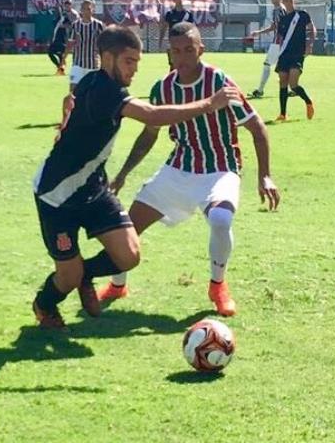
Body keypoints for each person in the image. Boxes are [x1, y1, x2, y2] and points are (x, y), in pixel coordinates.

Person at [31, 25, 243, 329]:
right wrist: (210, 104)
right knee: (67, 277)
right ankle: (45, 304)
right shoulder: (105, 90)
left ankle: (85, 275)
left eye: (137, 62)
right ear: (107, 58)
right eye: (129, 61)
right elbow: (153, 116)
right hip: (57, 195)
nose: (134, 69)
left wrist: (67, 110)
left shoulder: (93, 80)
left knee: (129, 256)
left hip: (93, 188)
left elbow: (73, 97)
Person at [97, 22, 280, 316]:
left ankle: (217, 285)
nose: (182, 57)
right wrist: (123, 174)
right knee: (128, 226)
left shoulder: (222, 83)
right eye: (176, 51)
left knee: (220, 219)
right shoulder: (164, 88)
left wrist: (265, 176)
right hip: (179, 168)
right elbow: (149, 134)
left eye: (189, 50)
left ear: (201, 50)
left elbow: (257, 129)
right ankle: (118, 285)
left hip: (220, 167)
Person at [275, 0, 316, 122]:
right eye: (285, 1)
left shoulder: (302, 15)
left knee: (293, 85)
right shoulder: (282, 19)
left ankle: (308, 102)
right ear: (283, 2)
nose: (288, 3)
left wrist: (309, 45)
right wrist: (276, 51)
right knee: (282, 82)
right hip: (284, 54)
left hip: (297, 53)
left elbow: (312, 29)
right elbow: (280, 37)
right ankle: (282, 114)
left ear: (294, 1)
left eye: (290, 0)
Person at [249, 0, 287, 98]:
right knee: (283, 67)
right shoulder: (277, 10)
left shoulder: (280, 10)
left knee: (267, 64)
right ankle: (290, 89)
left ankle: (260, 90)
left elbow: (281, 27)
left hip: (279, 41)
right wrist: (259, 32)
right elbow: (274, 26)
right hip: (280, 41)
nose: (275, 0)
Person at [62, 0, 103, 91]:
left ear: (93, 10)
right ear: (81, 10)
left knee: (92, 92)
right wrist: (64, 58)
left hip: (93, 64)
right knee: (73, 89)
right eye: (84, 9)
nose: (86, 11)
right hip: (78, 63)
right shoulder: (75, 25)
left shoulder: (98, 25)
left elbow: (103, 43)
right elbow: (70, 42)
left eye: (88, 9)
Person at [159, 0, 195, 71]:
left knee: (185, 64)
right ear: (174, 0)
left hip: (185, 43)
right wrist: (160, 41)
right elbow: (164, 27)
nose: (180, 0)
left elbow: (193, 29)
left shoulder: (188, 14)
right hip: (173, 43)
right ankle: (171, 81)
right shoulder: (170, 14)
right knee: (173, 65)